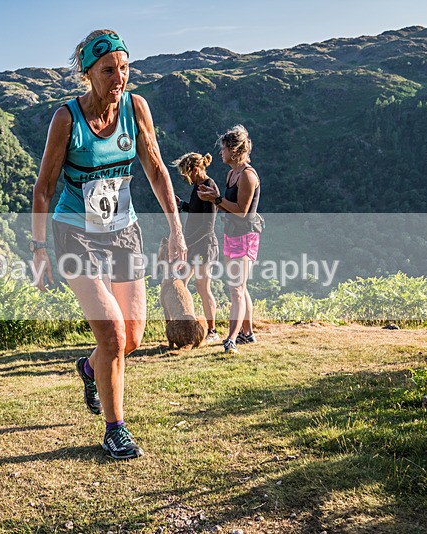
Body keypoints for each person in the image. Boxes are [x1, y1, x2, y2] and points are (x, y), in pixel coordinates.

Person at [31, 30, 186, 460]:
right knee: (113, 333)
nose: (119, 77)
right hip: (74, 232)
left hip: (124, 231)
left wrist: (175, 230)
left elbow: (155, 169)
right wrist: (38, 248)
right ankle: (115, 428)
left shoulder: (137, 109)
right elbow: (43, 188)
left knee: (131, 337)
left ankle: (88, 366)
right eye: (108, 70)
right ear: (88, 73)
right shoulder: (67, 120)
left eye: (124, 67)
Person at [197, 125, 261, 353]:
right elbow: (225, 204)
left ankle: (231, 338)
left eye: (223, 148)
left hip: (246, 236)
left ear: (234, 150)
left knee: (236, 288)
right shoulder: (231, 174)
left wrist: (216, 199)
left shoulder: (247, 176)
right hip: (231, 234)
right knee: (239, 288)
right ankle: (248, 334)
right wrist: (213, 199)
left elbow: (243, 211)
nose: (220, 152)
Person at [172, 152, 220, 344]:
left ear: (195, 169)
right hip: (194, 246)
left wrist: (185, 242)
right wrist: (182, 204)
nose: (185, 178)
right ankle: (186, 328)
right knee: (180, 284)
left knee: (202, 287)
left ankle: (212, 331)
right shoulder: (198, 186)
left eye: (186, 173)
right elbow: (196, 211)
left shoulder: (209, 187)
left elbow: (207, 226)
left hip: (204, 247)